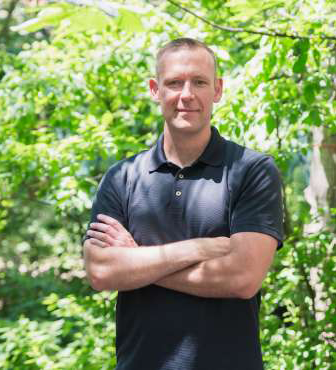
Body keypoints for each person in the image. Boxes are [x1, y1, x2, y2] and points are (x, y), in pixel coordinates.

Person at [83, 38, 284, 370]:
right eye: (174, 83)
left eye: (199, 82)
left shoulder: (251, 170)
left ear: (217, 90)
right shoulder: (122, 177)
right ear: (155, 89)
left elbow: (242, 279)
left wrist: (134, 263)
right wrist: (199, 248)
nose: (186, 95)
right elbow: (102, 271)